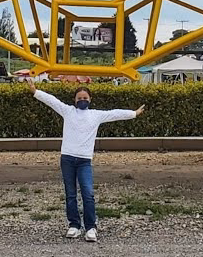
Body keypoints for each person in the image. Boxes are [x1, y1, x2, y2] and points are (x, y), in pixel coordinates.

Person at [27, 78, 144, 242]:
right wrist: (35, 92)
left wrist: (134, 114)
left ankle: (90, 228)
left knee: (88, 194)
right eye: (79, 98)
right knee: (71, 194)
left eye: (85, 98)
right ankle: (74, 225)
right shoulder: (68, 111)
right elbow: (52, 101)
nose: (82, 100)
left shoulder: (96, 115)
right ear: (74, 100)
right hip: (67, 159)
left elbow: (114, 113)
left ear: (90, 100)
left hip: (84, 161)